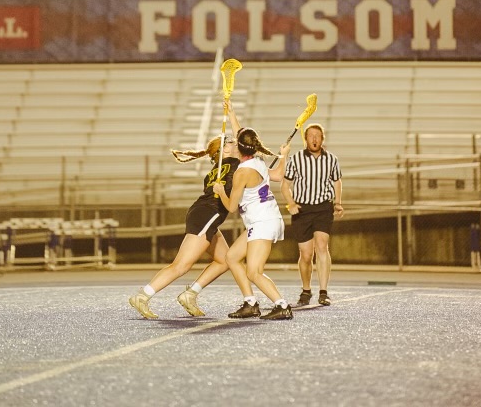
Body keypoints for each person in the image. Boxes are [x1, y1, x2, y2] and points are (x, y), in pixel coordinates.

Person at [129, 134, 240, 319]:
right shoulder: (236, 166)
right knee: (181, 265)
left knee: (225, 260)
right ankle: (143, 296)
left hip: (202, 212)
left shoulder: (215, 170)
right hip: (208, 214)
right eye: (231, 142)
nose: (236, 144)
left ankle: (190, 295)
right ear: (225, 150)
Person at [213, 101, 293, 321]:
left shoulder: (243, 172)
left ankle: (282, 305)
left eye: (233, 142)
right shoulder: (256, 160)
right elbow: (277, 175)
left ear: (239, 147)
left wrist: (220, 190)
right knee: (231, 257)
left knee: (254, 272)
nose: (231, 142)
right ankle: (250, 303)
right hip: (263, 220)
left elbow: (231, 207)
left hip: (262, 222)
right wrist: (231, 113)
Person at [281, 123, 343, 307]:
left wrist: (338, 202)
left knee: (322, 247)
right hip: (302, 210)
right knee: (306, 254)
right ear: (305, 139)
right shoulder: (296, 159)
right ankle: (306, 290)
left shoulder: (331, 159)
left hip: (324, 207)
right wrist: (291, 203)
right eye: (311, 136)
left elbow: (337, 180)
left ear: (322, 138)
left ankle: (323, 292)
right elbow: (285, 185)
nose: (314, 139)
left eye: (317, 136)